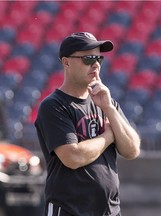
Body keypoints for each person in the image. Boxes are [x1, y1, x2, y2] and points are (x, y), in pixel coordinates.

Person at [35, 32, 141, 216]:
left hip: (110, 211)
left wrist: (109, 108)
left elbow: (132, 150)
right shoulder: (53, 106)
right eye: (88, 58)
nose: (96, 64)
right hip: (69, 210)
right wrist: (108, 136)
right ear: (66, 62)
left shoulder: (106, 103)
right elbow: (73, 157)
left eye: (99, 58)